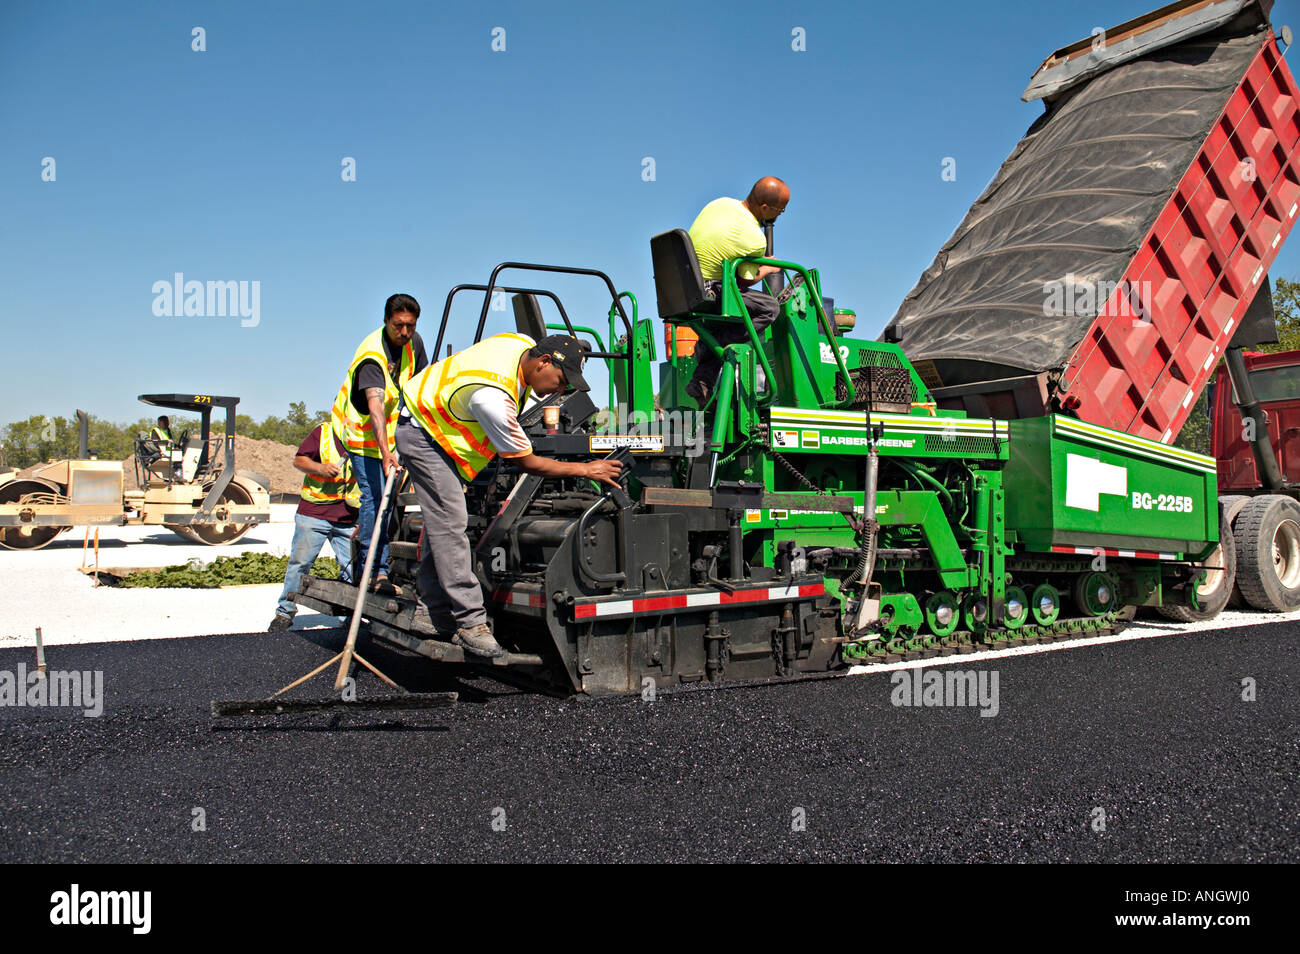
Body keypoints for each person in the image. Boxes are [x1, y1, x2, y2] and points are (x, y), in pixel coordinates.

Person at [396, 332, 623, 658]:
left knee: (443, 522)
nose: (561, 391)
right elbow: (527, 462)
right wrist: (587, 470)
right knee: (452, 522)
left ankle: (428, 608)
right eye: (560, 380)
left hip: (433, 426)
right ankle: (470, 623)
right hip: (425, 434)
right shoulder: (492, 397)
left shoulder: (519, 342)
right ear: (544, 361)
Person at [330, 293, 428, 589]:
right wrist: (386, 453)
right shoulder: (372, 357)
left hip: (392, 439)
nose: (405, 333)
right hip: (362, 437)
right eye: (398, 326)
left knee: (389, 504)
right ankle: (373, 569)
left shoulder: (414, 343)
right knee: (374, 501)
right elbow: (375, 408)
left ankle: (383, 565)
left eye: (410, 326)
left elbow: (422, 384)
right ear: (386, 321)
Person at [684, 176, 790, 402]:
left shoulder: (719, 203)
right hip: (710, 292)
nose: (779, 215)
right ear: (764, 207)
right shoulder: (755, 239)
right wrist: (769, 268)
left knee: (731, 315)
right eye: (779, 211)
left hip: (684, 290)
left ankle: (703, 378)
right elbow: (744, 281)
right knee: (769, 308)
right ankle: (709, 348)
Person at [268, 419, 360, 632]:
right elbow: (300, 460)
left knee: (353, 569)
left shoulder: (367, 438)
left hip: (347, 517)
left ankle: (351, 616)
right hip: (314, 513)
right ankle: (285, 612)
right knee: (300, 565)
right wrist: (320, 467)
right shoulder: (325, 432)